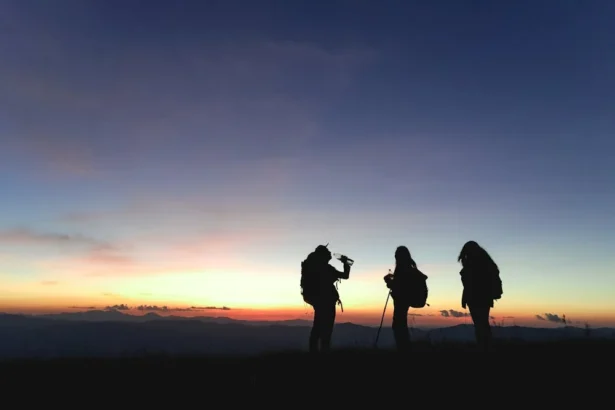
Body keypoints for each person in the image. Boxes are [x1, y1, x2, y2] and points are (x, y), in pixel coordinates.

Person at [301, 244, 351, 353]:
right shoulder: (325, 268)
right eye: (328, 253)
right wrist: (346, 263)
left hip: (317, 300)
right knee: (326, 328)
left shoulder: (313, 267)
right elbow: (345, 276)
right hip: (326, 301)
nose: (330, 255)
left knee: (318, 326)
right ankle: (324, 351)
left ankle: (314, 351)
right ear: (323, 255)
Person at [458, 240, 502, 351]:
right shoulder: (484, 261)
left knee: (480, 324)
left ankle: (483, 347)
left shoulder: (474, 263)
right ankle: (485, 346)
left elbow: (470, 283)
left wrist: (466, 297)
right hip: (483, 298)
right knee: (482, 323)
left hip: (476, 298)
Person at [383, 246, 426, 352]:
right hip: (405, 301)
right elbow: (400, 287)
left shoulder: (403, 270)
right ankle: (404, 349)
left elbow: (400, 288)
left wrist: (388, 282)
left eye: (396, 256)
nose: (396, 258)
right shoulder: (410, 269)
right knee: (400, 324)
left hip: (402, 302)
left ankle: (404, 350)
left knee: (399, 325)